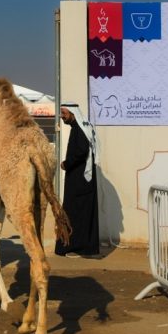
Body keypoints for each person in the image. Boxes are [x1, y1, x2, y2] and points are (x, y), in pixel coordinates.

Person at [55, 102, 100, 258]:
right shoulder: (79, 128)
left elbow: (81, 152)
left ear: (73, 113)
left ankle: (77, 247)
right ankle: (82, 247)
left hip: (80, 180)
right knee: (79, 212)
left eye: (64, 113)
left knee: (76, 212)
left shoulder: (79, 129)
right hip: (80, 179)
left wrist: (66, 164)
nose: (61, 116)